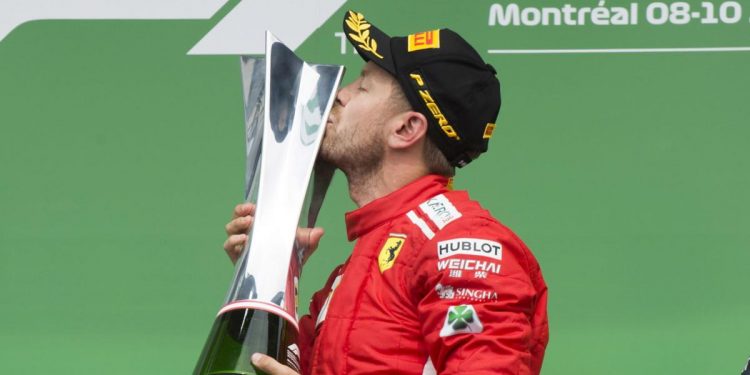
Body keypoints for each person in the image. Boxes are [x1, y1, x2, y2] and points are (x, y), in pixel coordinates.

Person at [223, 10, 549, 375]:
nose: (339, 95)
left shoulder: (459, 245)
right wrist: (272, 274)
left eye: (362, 86)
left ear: (406, 128)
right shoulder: (359, 266)